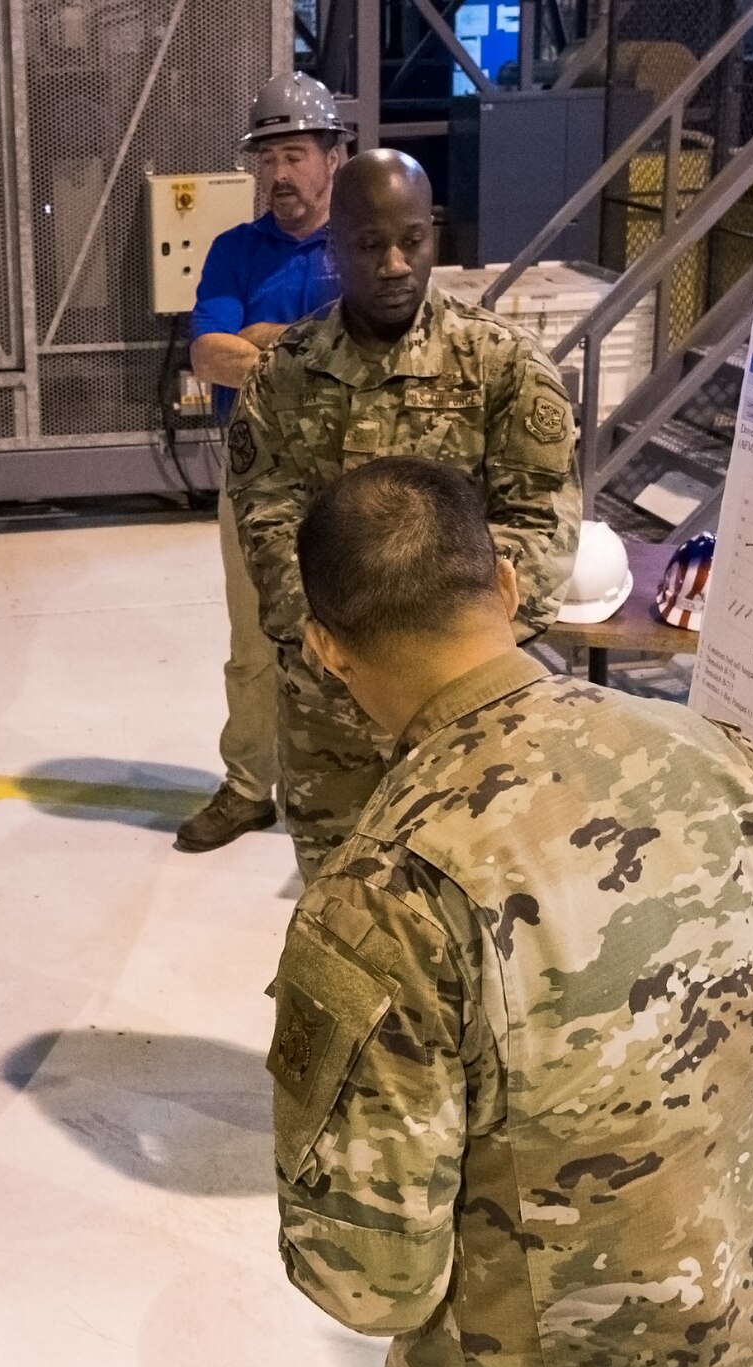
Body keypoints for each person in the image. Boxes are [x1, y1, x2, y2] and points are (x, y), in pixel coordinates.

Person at [268, 457, 753, 1367]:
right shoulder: (701, 753)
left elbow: (369, 1278)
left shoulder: (381, 897)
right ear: (504, 584)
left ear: (323, 647)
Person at [230, 148, 582, 879]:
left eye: (412, 241)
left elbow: (539, 527)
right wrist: (351, 653)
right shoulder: (285, 378)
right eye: (368, 245)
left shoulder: (502, 367)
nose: (394, 263)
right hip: (333, 720)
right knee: (341, 914)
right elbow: (268, 523)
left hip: (473, 716)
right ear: (334, 248)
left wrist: (441, 657)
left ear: (433, 238)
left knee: (483, 914)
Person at [174, 72, 347, 854]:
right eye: (268, 156)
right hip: (256, 476)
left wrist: (264, 338)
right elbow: (209, 355)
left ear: (333, 157)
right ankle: (249, 786)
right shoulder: (232, 252)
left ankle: (356, 789)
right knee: (255, 639)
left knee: (358, 632)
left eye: (297, 154)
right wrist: (307, 346)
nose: (280, 173)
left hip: (353, 477)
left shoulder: (363, 245)